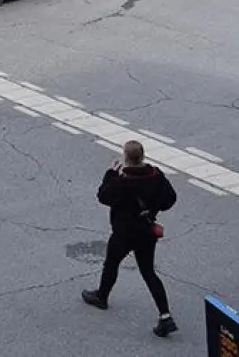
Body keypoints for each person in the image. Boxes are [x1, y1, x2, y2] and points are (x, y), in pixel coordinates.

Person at [81, 140, 179, 338]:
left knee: (111, 263)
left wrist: (111, 173)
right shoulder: (156, 175)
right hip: (146, 231)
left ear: (126, 158)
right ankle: (165, 315)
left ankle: (102, 296)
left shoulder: (121, 180)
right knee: (149, 272)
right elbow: (170, 199)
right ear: (143, 156)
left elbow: (103, 196)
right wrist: (154, 207)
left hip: (124, 233)